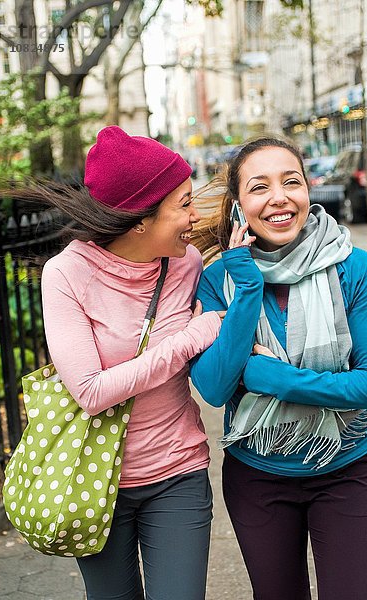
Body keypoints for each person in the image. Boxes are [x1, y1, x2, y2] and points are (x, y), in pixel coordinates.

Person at [190, 136, 367, 600]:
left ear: (308, 190)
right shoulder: (219, 279)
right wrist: (245, 286)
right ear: (238, 205)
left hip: (348, 471)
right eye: (259, 187)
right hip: (257, 477)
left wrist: (269, 378)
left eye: (291, 182)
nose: (279, 197)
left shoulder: (354, 268)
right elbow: (215, 386)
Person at [38, 126, 222, 600]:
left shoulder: (188, 263)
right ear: (140, 220)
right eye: (183, 203)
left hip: (177, 473)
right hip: (96, 482)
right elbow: (91, 392)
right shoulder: (65, 275)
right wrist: (189, 339)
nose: (193, 215)